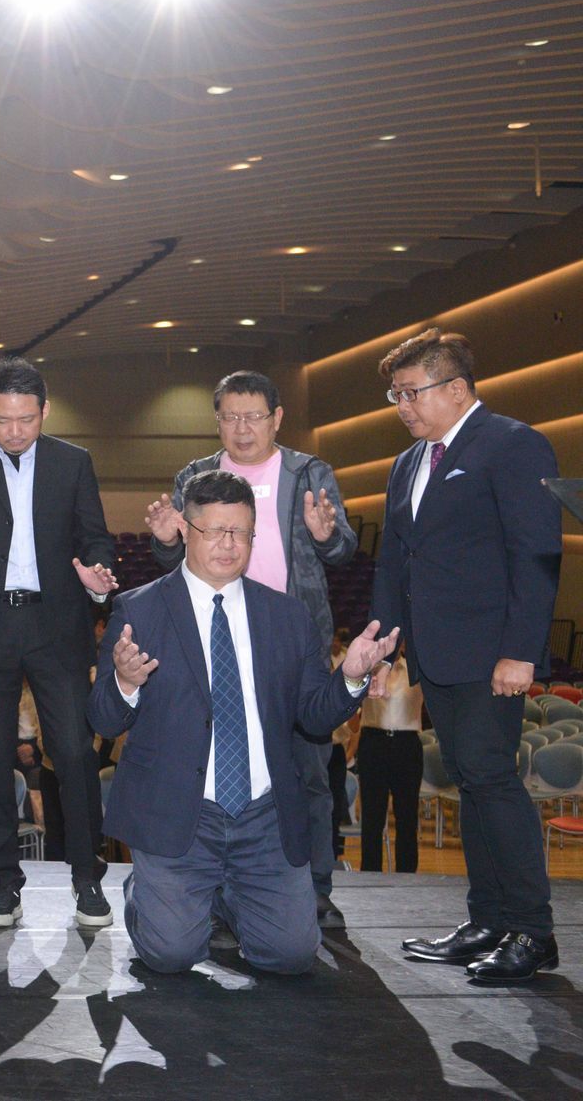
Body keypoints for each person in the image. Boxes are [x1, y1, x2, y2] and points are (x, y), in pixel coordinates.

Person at [90, 470, 394, 976]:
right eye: (215, 530)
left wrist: (351, 677)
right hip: (178, 813)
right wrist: (125, 682)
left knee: (291, 956)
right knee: (171, 955)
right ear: (185, 529)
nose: (229, 545)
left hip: (263, 816)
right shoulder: (138, 610)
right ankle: (149, 890)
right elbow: (102, 716)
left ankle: (226, 896)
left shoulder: (286, 616)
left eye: (241, 532)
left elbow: (314, 716)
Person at [369, 328, 563, 983]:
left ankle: (533, 931)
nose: (402, 406)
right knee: (471, 781)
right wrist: (384, 645)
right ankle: (488, 920)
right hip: (437, 654)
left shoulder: (512, 443)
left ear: (455, 388)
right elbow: (395, 560)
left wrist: (521, 651)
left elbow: (535, 554)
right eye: (396, 395)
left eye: (412, 392)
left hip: (490, 653)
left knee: (490, 778)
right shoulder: (408, 462)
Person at [145, 369, 359, 930]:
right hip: (213, 647)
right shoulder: (195, 476)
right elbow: (172, 560)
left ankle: (314, 887)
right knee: (213, 770)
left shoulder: (308, 472)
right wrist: (164, 540)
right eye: (231, 417)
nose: (242, 428)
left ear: (277, 418)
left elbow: (343, 549)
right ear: (217, 421)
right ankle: (215, 892)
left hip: (290, 646)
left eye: (254, 417)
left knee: (309, 772)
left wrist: (325, 534)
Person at [0, 357, 118, 930]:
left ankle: (87, 878)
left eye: (27, 419)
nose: (15, 431)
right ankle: (4, 884)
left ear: (45, 411)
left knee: (75, 752)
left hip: (57, 625)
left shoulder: (73, 462)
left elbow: (95, 536)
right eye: (3, 419)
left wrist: (97, 574)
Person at [356, 653, 423, 873]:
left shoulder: (416, 668)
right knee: (371, 816)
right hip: (373, 740)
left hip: (407, 743)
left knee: (407, 815)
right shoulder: (368, 667)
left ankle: (407, 875)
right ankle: (370, 874)